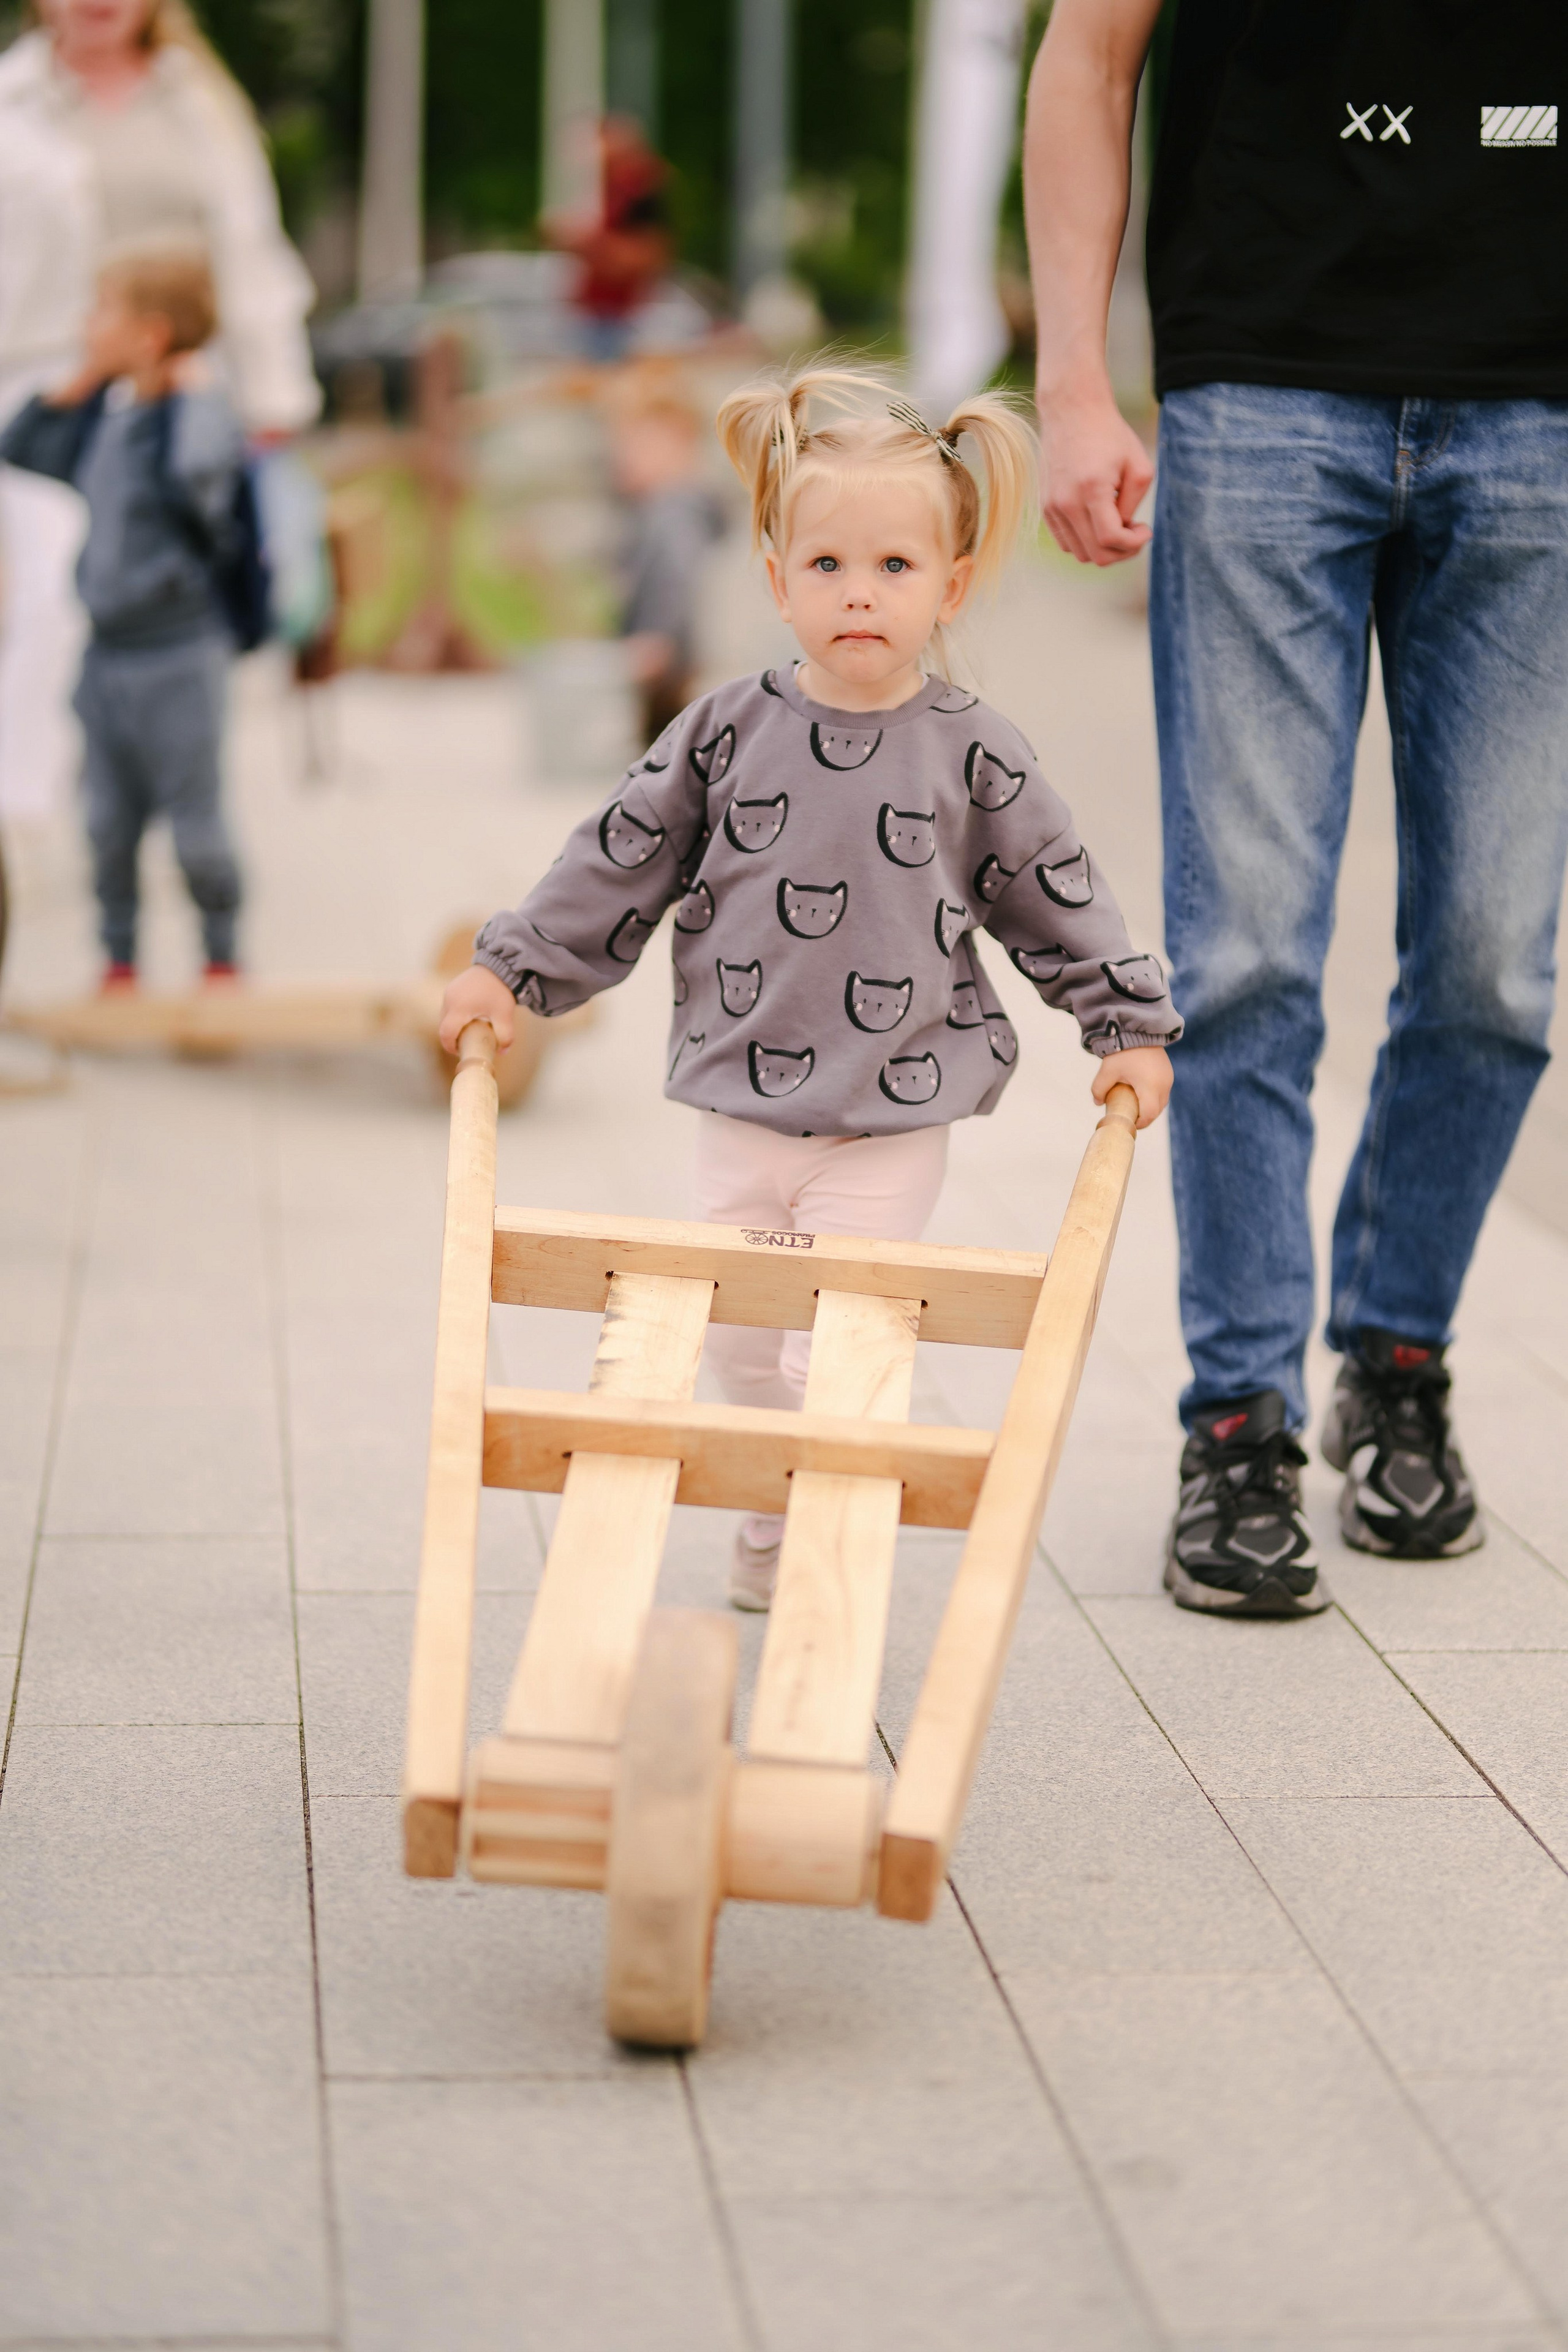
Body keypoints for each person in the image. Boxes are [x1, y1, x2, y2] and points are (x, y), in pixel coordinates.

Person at [439, 367, 1181, 1609]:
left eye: (895, 569)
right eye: (828, 566)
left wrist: (1126, 1023)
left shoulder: (973, 754)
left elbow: (1056, 893)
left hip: (888, 1117)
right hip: (741, 1102)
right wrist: (508, 969)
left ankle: (830, 1538)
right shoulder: (724, 733)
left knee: (838, 1345)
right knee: (738, 1347)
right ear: (777, 581)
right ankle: (775, 1508)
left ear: (947, 586)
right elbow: (616, 859)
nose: (858, 594)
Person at [1024, 1, 1568, 1616]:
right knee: (1248, 946)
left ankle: (1398, 1360)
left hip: (1541, 406)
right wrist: (1071, 382)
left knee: (1495, 959)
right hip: (1261, 390)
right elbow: (1086, 59)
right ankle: (1239, 1424)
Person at [0, 0, 319, 824]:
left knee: (181, 596)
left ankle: (164, 791)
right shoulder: (13, 100)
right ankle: (32, 804)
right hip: (54, 379)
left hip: (177, 389)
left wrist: (275, 395)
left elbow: (252, 254)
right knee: (56, 591)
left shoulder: (201, 102)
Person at [0, 241, 246, 983]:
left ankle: (221, 957)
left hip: (178, 652)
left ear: (150, 335)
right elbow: (19, 445)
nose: (85, 323)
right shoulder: (104, 416)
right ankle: (119, 958)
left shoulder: (193, 414)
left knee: (195, 829)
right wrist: (83, 381)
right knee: (108, 826)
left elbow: (201, 476)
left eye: (102, 311)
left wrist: (183, 388)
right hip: (107, 655)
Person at [609, 385, 724, 745]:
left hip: (670, 665)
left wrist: (659, 638)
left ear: (677, 440)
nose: (622, 458)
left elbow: (680, 578)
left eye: (634, 445)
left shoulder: (676, 509)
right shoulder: (670, 507)